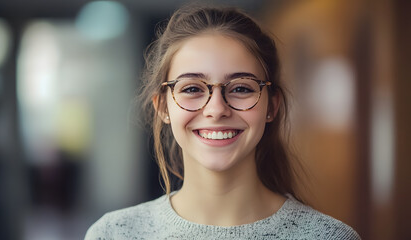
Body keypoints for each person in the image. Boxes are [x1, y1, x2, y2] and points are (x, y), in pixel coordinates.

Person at [85, 5, 361, 239]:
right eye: (192, 88)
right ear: (163, 108)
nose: (216, 109)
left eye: (241, 88)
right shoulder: (114, 234)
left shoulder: (327, 236)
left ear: (271, 106)